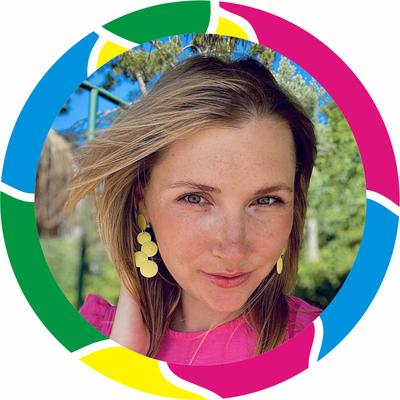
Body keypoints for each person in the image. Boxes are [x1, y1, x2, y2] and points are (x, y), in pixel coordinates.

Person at [65, 54, 321, 366]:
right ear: (141, 199)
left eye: (266, 200)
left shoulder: (325, 344)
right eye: (195, 198)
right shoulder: (92, 338)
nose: (233, 250)